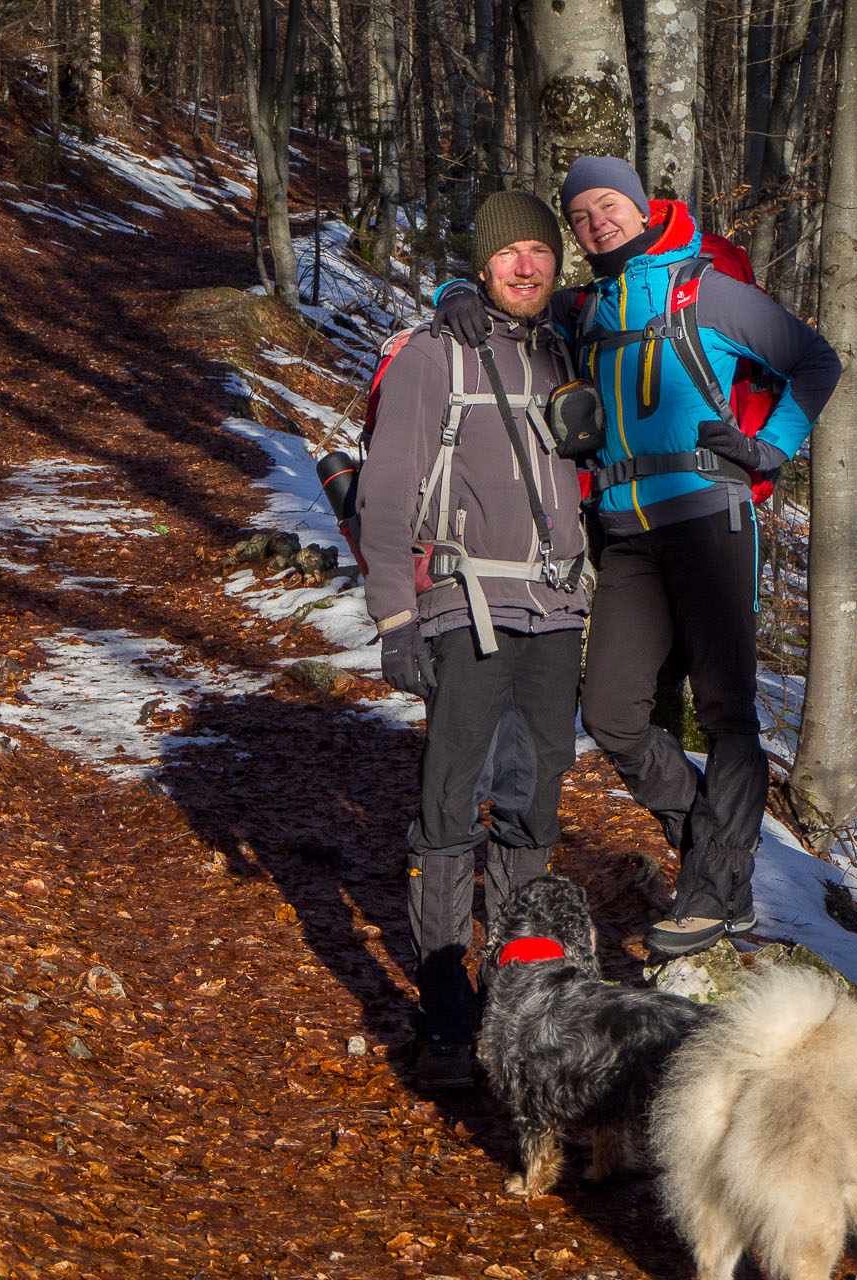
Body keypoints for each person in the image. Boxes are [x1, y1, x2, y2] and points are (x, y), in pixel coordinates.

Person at [435, 156, 841, 958]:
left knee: (727, 713)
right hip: (625, 536)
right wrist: (454, 294)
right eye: (581, 216)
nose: (596, 222)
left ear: (640, 204)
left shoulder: (704, 291)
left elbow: (815, 359)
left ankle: (714, 891)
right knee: (614, 712)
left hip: (709, 521)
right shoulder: (585, 307)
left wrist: (769, 449)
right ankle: (716, 850)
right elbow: (509, 302)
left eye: (607, 205)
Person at [357, 190, 591, 1088]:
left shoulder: (568, 350)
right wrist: (393, 618)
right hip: (466, 606)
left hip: (561, 612)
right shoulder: (433, 355)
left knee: (533, 807)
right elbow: (386, 495)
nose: (525, 267)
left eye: (539, 251)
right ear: (482, 264)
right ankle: (446, 1009)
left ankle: (517, 991)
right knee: (451, 804)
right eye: (506, 255)